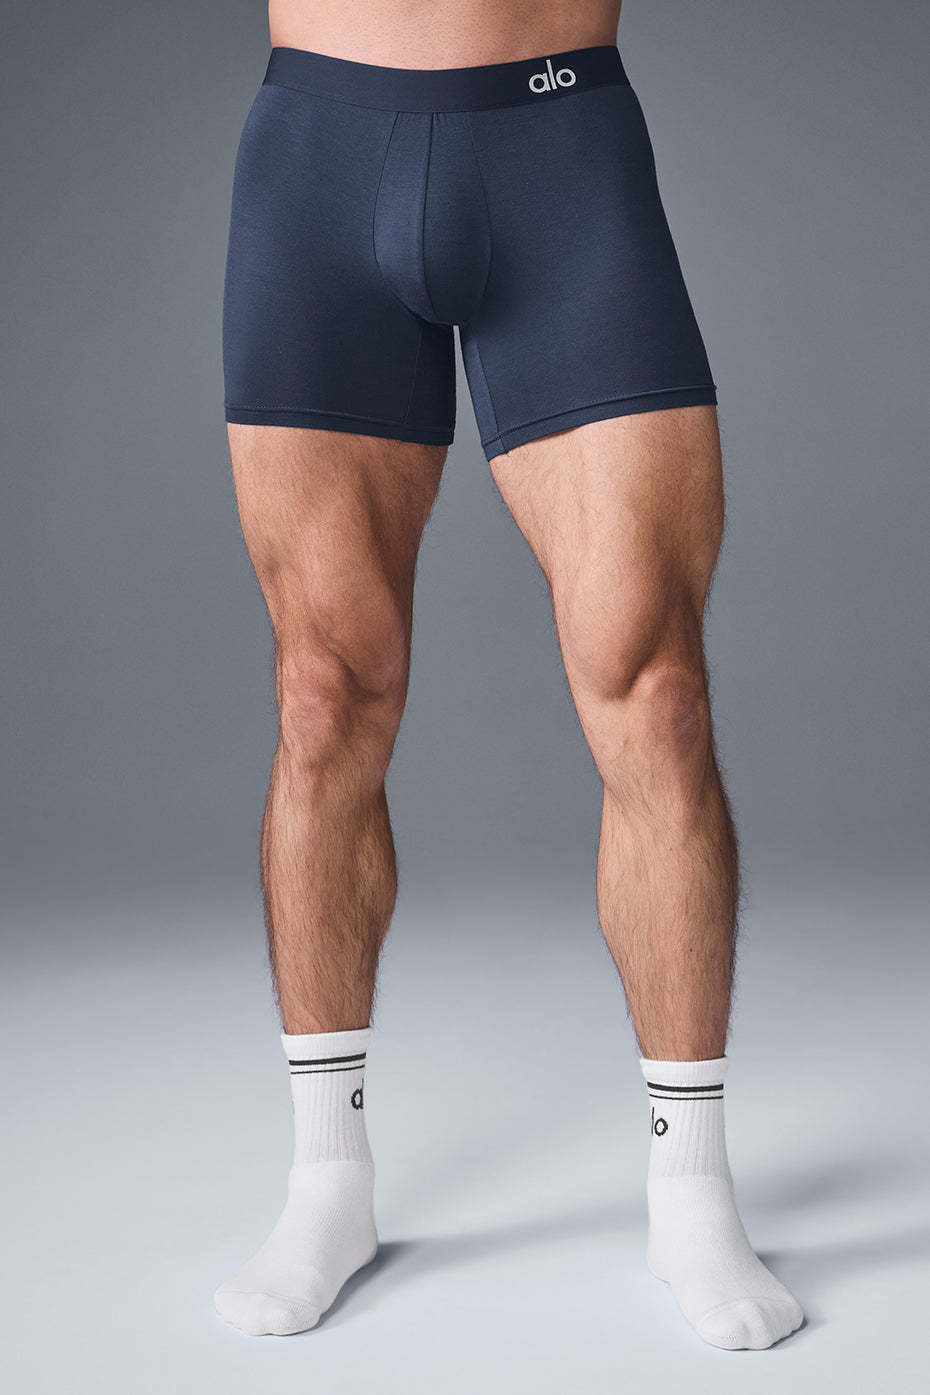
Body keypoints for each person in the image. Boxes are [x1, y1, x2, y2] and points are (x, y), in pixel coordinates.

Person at [214, 0, 803, 1350]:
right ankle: (327, 1181)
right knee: (323, 693)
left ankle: (691, 1190)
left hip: (558, 151)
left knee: (654, 687)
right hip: (316, 157)